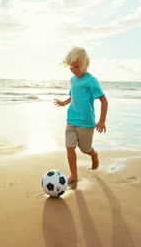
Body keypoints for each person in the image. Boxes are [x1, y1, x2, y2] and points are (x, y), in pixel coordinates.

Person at [54, 47, 108, 184]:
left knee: (85, 149)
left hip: (86, 123)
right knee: (69, 146)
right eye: (71, 68)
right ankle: (74, 175)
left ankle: (94, 154)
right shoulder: (73, 79)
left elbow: (104, 100)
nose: (74, 70)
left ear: (85, 64)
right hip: (71, 120)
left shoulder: (91, 81)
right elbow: (73, 96)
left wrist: (102, 121)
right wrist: (63, 103)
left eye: (77, 67)